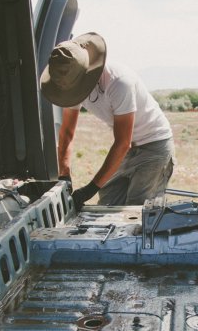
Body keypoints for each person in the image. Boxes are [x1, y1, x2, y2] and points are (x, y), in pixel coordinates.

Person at [40, 32, 175, 209]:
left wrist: (89, 189)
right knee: (107, 204)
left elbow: (122, 142)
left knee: (137, 211)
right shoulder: (71, 82)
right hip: (128, 148)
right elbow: (66, 133)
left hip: (154, 145)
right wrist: (64, 176)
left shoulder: (119, 82)